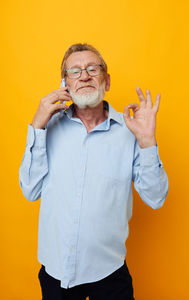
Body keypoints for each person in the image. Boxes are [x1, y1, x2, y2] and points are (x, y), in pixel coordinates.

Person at [19, 43, 169, 300]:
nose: (84, 76)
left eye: (92, 69)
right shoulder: (47, 127)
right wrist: (36, 127)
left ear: (107, 81)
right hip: (56, 273)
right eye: (74, 71)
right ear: (64, 83)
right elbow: (30, 191)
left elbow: (156, 198)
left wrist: (147, 142)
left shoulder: (130, 130)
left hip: (110, 275)